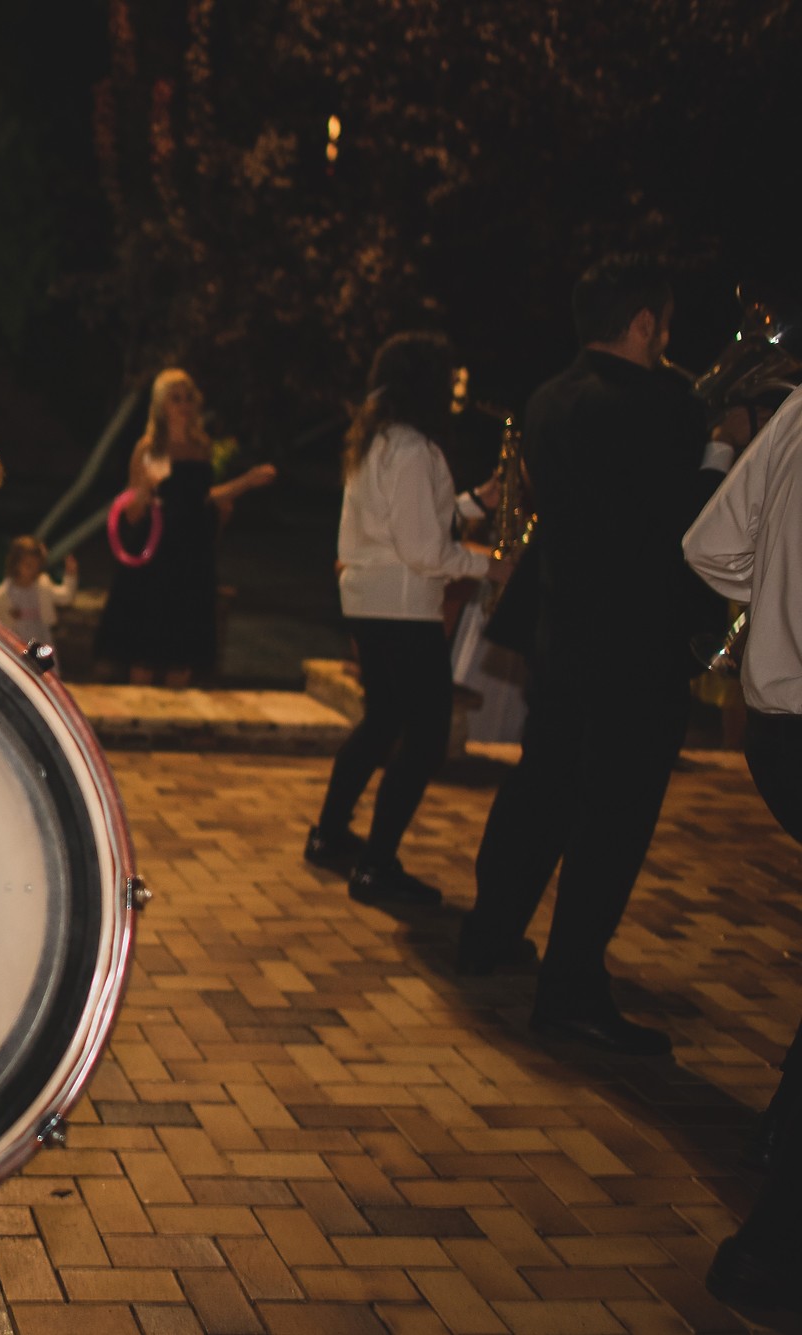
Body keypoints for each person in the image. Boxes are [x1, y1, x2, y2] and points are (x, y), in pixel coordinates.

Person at [458, 256, 739, 1056]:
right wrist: (723, 446)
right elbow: (693, 524)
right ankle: (572, 989)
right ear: (645, 323)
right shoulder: (667, 408)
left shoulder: (550, 397)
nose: (669, 339)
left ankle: (488, 932)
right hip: (637, 641)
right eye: (666, 324)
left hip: (563, 630)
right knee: (614, 818)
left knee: (541, 787)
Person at [304, 333, 505, 904]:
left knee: (382, 721)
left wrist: (474, 502)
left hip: (369, 600)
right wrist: (492, 565)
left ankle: (329, 834)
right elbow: (422, 549)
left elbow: (405, 523)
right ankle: (377, 864)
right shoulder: (415, 448)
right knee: (425, 737)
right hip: (403, 607)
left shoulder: (378, 440)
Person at [683, 384, 802, 1313]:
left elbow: (711, 545)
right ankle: (770, 1248)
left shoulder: (796, 409)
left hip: (776, 728)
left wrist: (774, 617)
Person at [92, 368, 277, 686]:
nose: (184, 405)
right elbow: (132, 514)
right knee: (146, 648)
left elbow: (202, 497)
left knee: (183, 651)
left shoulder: (200, 446)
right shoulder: (151, 447)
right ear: (161, 404)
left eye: (188, 397)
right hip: (157, 550)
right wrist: (145, 489)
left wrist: (247, 482)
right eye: (175, 398)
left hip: (192, 550)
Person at [0, 535, 78, 642]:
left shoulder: (42, 586)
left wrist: (70, 574)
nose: (33, 571)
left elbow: (66, 597)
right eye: (28, 566)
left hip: (41, 638)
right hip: (16, 641)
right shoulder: (1, 596)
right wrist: (10, 616)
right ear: (16, 564)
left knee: (41, 653)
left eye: (37, 566)